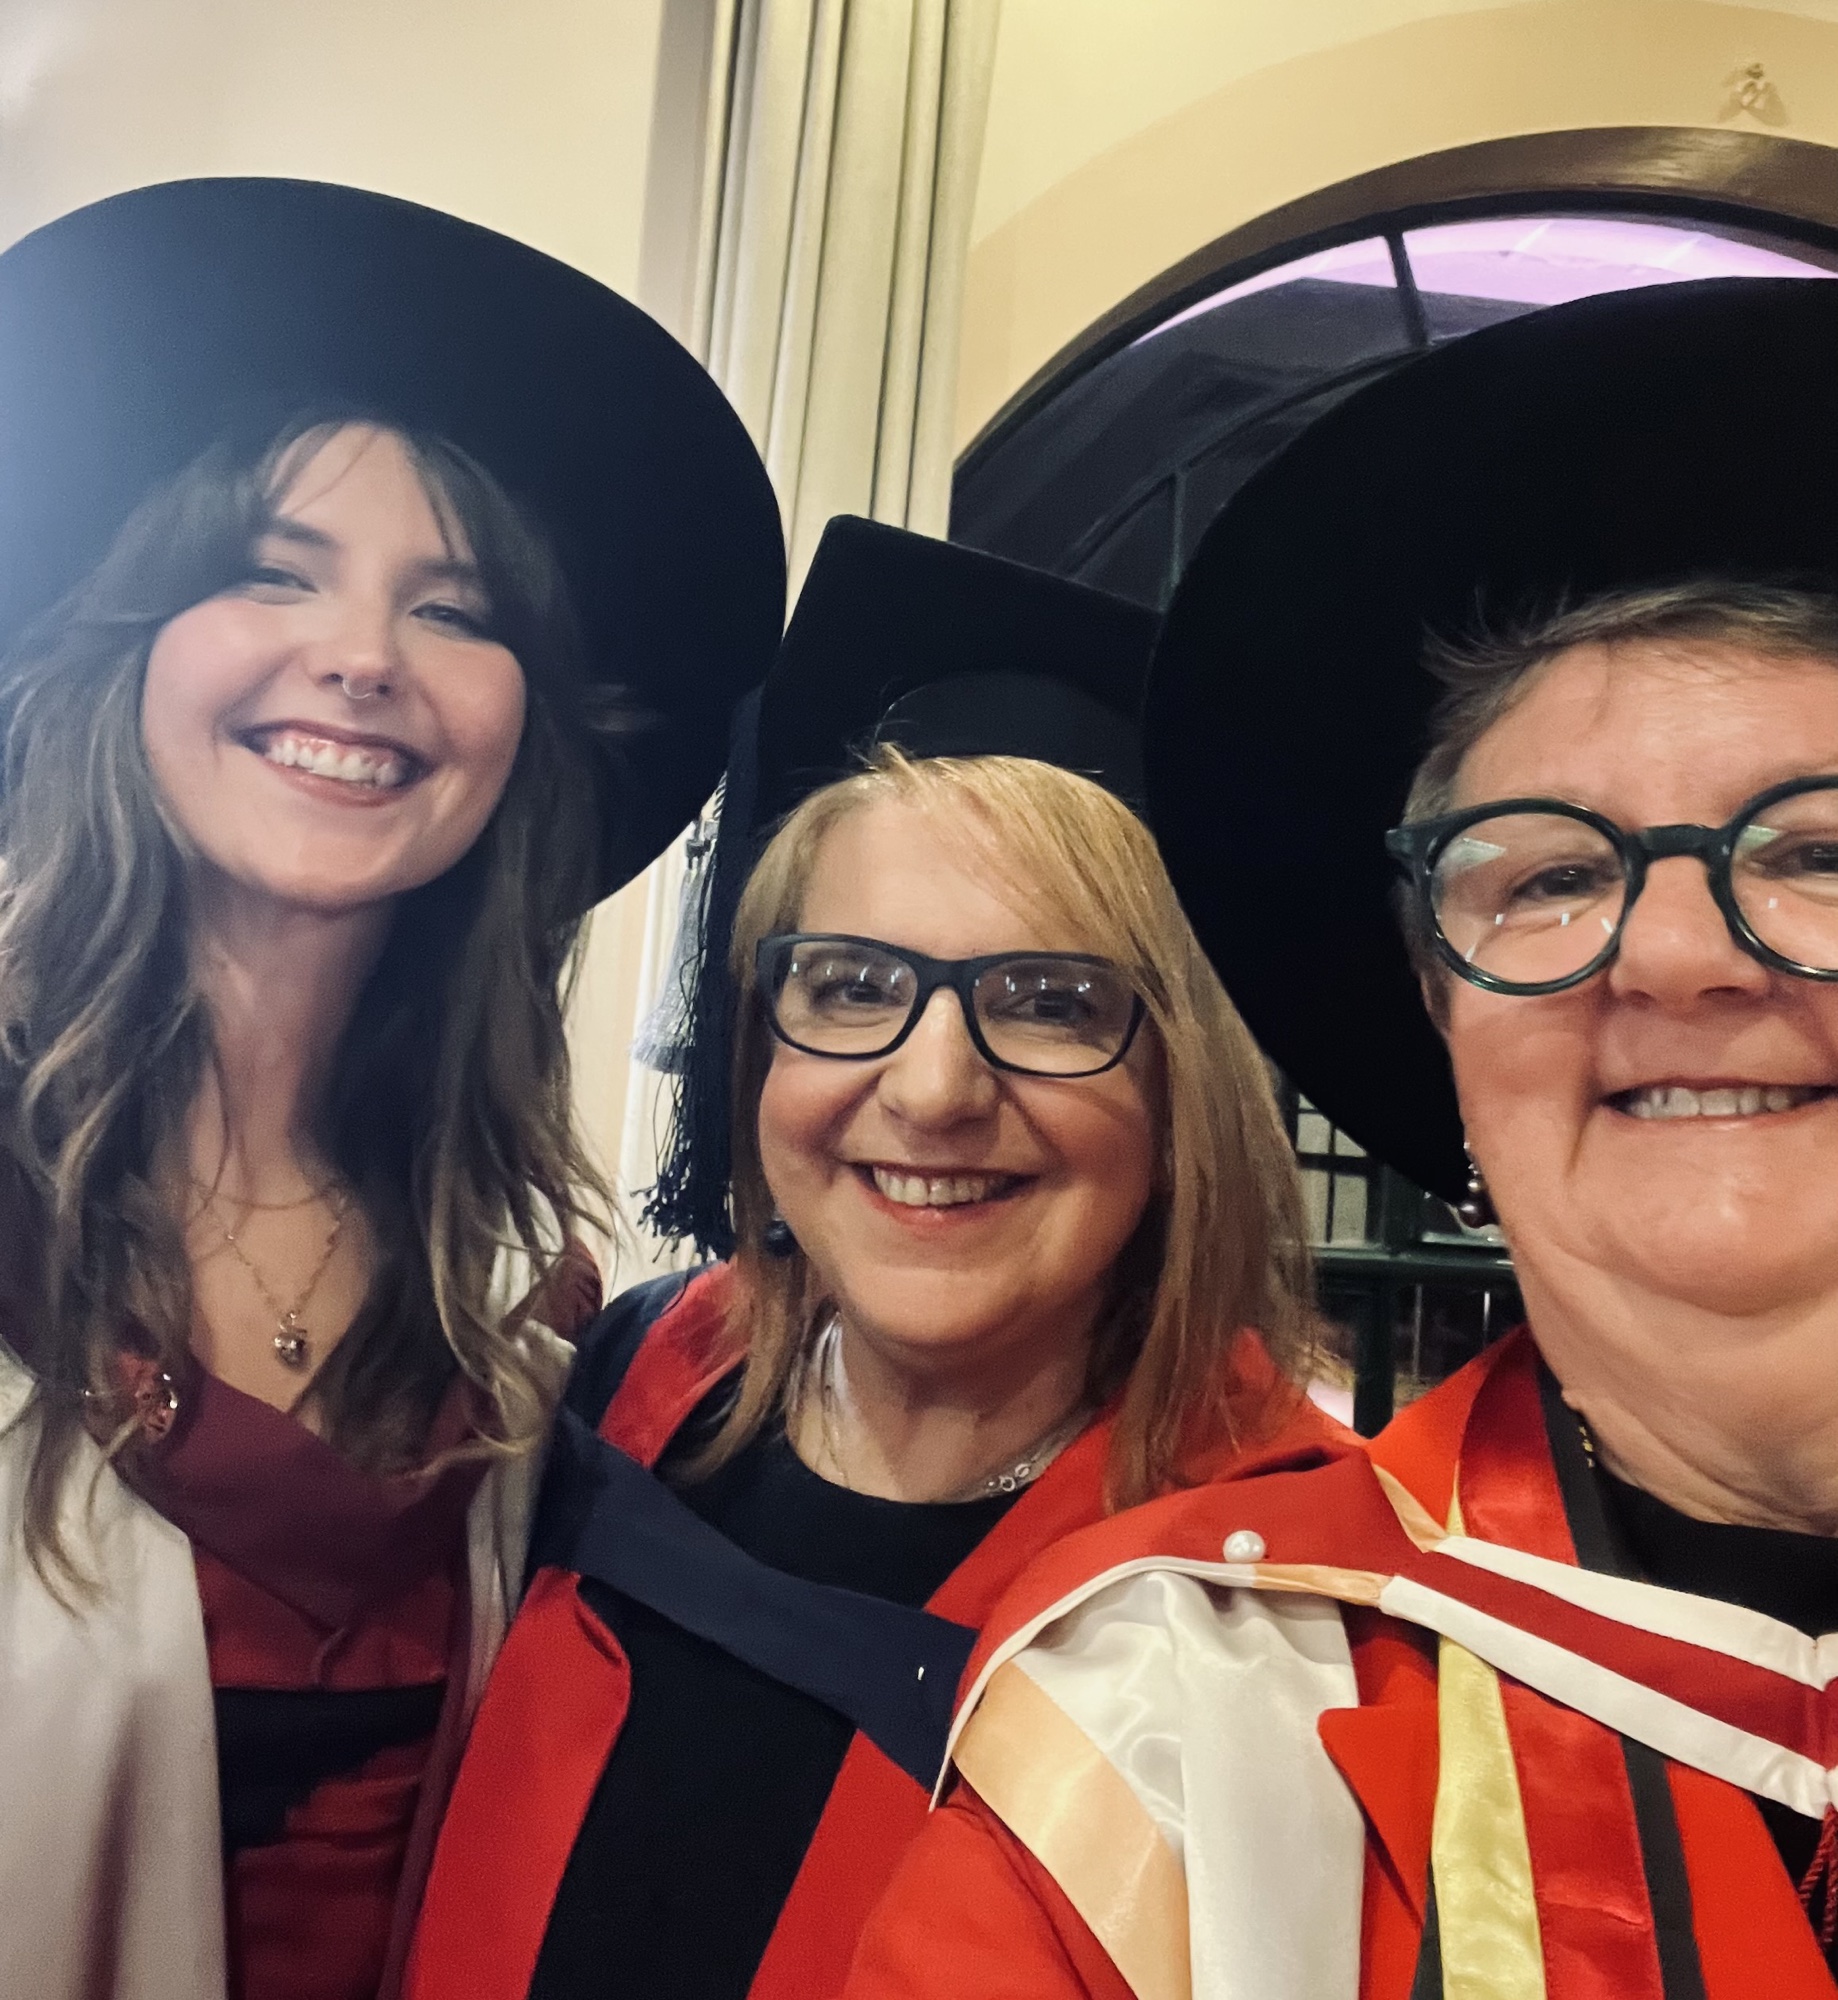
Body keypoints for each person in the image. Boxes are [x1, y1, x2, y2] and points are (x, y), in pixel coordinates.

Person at [842, 276, 1838, 2000]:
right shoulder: (1178, 1722)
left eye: (1817, 851)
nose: (1676, 952)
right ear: (1442, 1024)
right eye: (1550, 874)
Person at [0, 179, 784, 2000]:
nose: (362, 655)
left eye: (454, 608)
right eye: (273, 573)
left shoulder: (503, 1305)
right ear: (129, 647)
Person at [406, 517, 1336, 2000]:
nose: (934, 1089)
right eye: (849, 985)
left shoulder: (1292, 1599)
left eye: (1049, 999)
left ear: (1184, 1089)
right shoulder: (623, 1390)